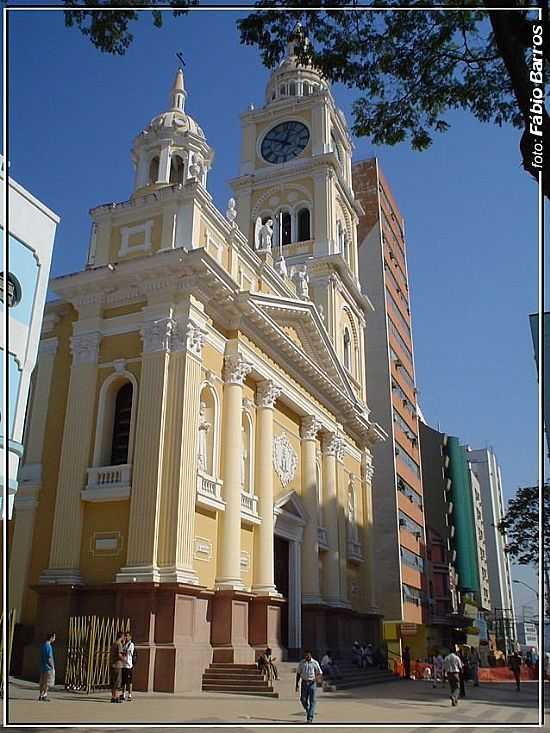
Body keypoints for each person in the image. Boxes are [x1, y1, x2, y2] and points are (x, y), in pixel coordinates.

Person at [295, 650, 323, 724]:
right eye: (305, 655)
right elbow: (298, 673)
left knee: (312, 701)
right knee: (303, 699)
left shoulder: (315, 663)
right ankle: (308, 710)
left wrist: (317, 679)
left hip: (312, 683)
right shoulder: (302, 663)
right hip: (304, 682)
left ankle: (310, 718)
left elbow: (320, 673)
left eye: (308, 655)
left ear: (311, 655)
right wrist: (296, 684)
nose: (306, 657)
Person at [38, 632, 56, 701]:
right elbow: (49, 657)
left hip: (43, 666)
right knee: (47, 682)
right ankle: (44, 695)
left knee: (42, 682)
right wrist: (52, 666)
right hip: (48, 667)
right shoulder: (49, 646)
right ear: (51, 638)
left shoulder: (43, 646)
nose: (54, 639)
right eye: (54, 637)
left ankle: (41, 695)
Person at [110, 630, 125, 703]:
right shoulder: (119, 644)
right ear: (121, 636)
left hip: (113, 664)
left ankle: (113, 697)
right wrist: (124, 659)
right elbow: (119, 654)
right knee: (117, 682)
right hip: (118, 665)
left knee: (113, 682)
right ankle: (116, 697)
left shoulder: (114, 643)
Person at [122, 631, 135, 701]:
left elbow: (127, 652)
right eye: (125, 636)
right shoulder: (124, 644)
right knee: (123, 681)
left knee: (129, 681)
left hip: (128, 665)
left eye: (127, 636)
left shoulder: (131, 644)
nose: (126, 637)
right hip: (123, 665)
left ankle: (129, 695)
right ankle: (123, 694)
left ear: (130, 637)